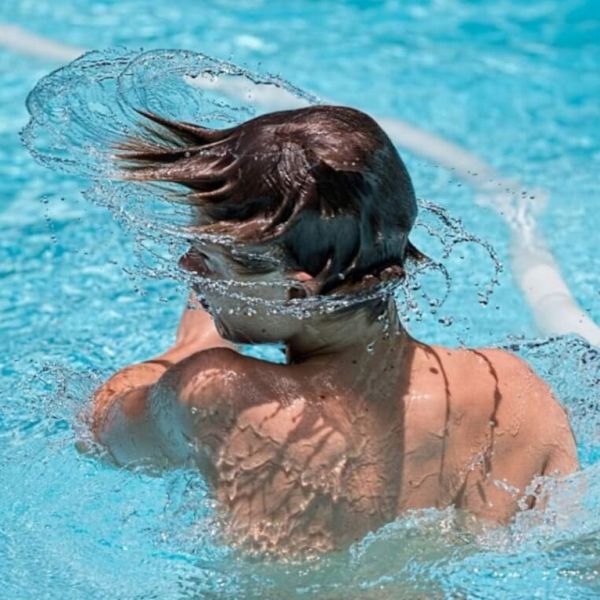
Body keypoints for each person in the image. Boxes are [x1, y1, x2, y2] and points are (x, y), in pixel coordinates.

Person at [92, 105, 577, 556]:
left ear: (295, 293)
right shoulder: (514, 392)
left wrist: (192, 346)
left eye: (208, 259)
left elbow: (101, 426)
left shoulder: (222, 395)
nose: (187, 267)